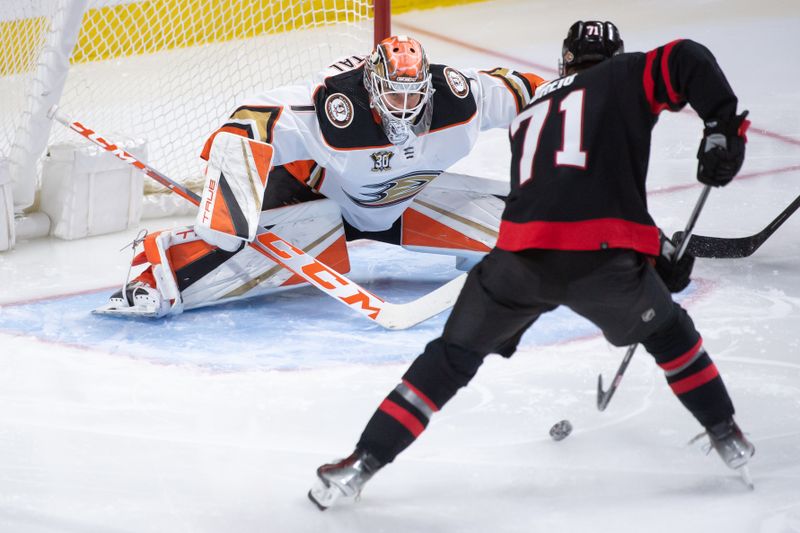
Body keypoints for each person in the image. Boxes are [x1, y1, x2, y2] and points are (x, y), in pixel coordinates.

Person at [308, 21, 753, 509]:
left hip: (517, 260)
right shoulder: (627, 75)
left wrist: (509, 325)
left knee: (450, 358)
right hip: (599, 260)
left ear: (565, 60)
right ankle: (726, 434)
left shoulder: (532, 110)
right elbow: (686, 57)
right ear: (617, 56)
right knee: (670, 335)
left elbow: (550, 201)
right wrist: (722, 128)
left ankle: (360, 463)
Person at [96, 35, 546, 318]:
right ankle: (153, 273)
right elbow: (248, 124)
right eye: (392, 94)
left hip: (401, 205)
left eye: (413, 97)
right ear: (371, 86)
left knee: (543, 232)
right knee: (228, 253)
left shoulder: (459, 97)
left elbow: (533, 91)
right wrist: (230, 212)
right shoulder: (335, 108)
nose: (404, 109)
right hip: (310, 197)